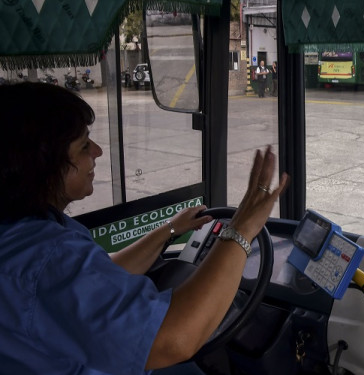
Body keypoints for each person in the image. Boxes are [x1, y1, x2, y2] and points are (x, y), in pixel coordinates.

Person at [0, 82, 288, 373]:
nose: (98, 151)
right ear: (44, 166)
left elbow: (104, 274)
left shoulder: (26, 233)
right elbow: (173, 340)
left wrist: (170, 230)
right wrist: (241, 230)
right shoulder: (49, 257)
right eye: (84, 146)